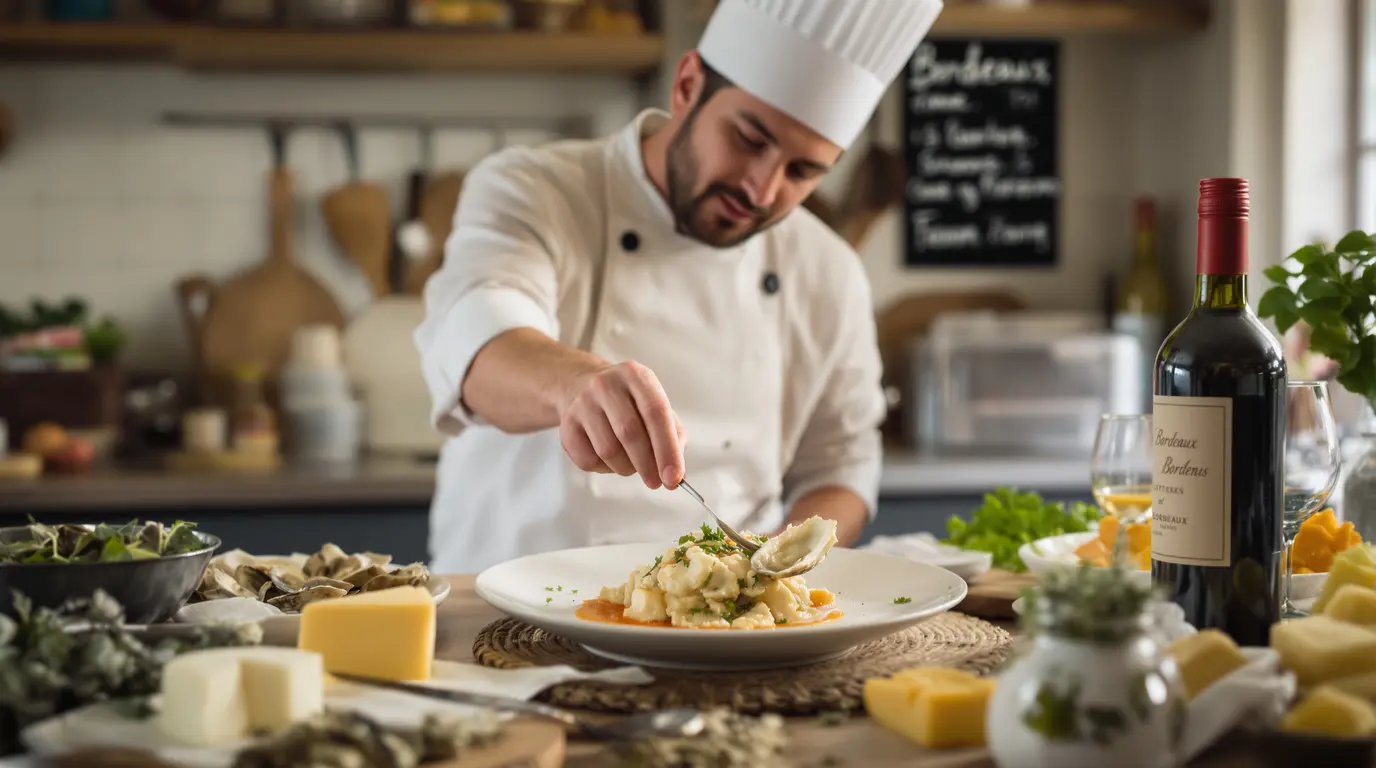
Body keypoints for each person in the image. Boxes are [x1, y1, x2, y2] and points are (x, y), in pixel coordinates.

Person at [415, 0, 945, 574]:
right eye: (748, 138)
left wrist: (768, 567)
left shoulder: (827, 268)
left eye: (802, 171)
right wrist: (573, 384)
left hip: (725, 637)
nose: (762, 191)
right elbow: (479, 342)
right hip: (509, 605)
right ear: (688, 85)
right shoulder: (538, 190)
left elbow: (841, 467)